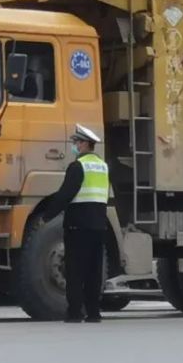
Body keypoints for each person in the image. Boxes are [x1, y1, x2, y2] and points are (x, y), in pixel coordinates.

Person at [42, 124, 109, 323]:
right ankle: (94, 313)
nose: (74, 146)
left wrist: (47, 216)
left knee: (75, 271)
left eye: (76, 142)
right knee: (93, 271)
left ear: (85, 144)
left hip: (78, 226)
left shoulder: (78, 166)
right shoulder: (103, 166)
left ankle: (74, 313)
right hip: (98, 225)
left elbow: (65, 194)